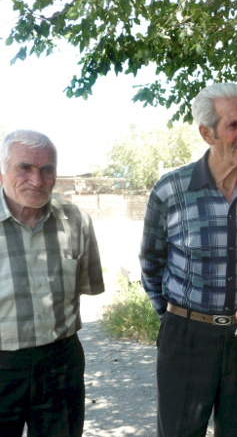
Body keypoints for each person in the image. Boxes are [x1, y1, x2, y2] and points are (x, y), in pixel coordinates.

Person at [139, 83, 237, 436]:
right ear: (207, 133)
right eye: (234, 125)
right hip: (186, 337)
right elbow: (151, 262)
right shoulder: (171, 190)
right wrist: (176, 320)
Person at [0, 130, 104, 437]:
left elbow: (84, 287)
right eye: (25, 167)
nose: (37, 180)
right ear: (2, 171)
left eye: (47, 169)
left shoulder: (76, 221)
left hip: (61, 364)